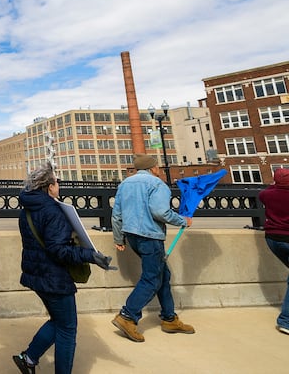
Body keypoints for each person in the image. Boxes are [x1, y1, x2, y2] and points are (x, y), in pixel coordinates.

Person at [13, 163, 112, 374]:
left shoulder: (28, 209)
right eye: (57, 181)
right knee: (67, 329)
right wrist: (90, 255)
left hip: (37, 275)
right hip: (54, 278)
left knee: (58, 321)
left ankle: (28, 358)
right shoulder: (52, 210)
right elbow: (59, 250)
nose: (59, 185)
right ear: (49, 186)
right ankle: (35, 360)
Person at [111, 154, 194, 342]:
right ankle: (127, 316)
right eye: (158, 166)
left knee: (162, 275)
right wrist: (183, 221)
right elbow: (160, 211)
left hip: (132, 236)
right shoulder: (158, 185)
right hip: (150, 237)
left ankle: (169, 318)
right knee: (152, 279)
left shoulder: (125, 184)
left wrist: (119, 238)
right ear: (153, 168)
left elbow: (116, 214)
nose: (159, 169)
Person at [258, 167, 289, 335]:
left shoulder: (267, 195)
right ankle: (286, 320)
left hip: (273, 239)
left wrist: (273, 185)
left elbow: (264, 192)